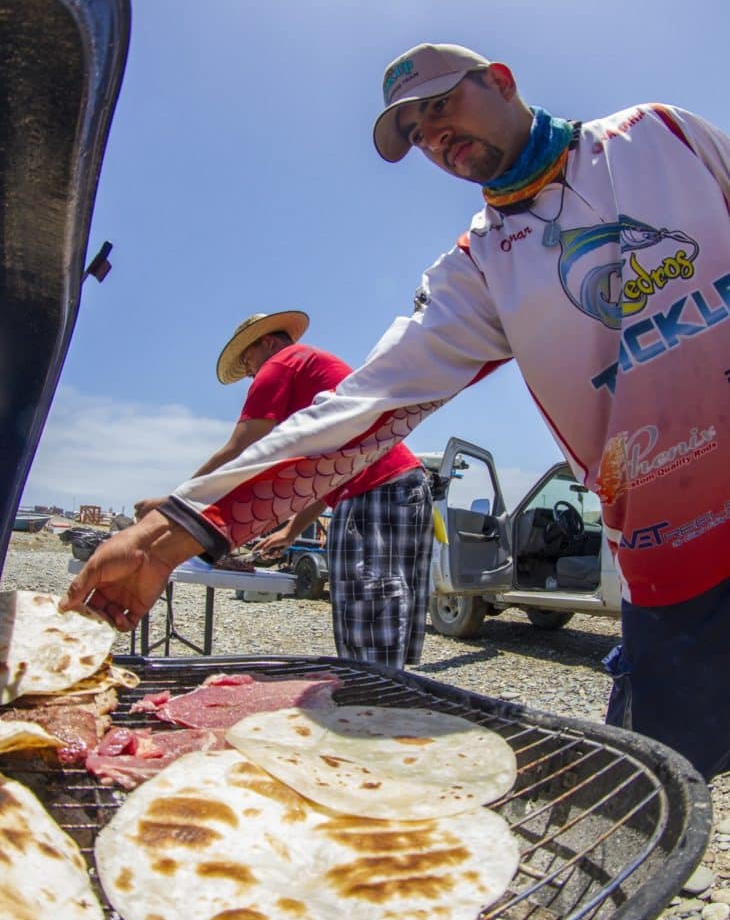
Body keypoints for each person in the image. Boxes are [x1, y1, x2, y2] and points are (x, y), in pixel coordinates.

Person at [63, 43, 730, 779]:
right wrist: (166, 536)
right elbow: (368, 405)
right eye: (414, 132)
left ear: (501, 81)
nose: (433, 137)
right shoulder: (481, 269)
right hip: (676, 563)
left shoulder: (662, 137)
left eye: (440, 105)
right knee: (656, 785)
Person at [136, 310, 433, 671]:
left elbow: (243, 446)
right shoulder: (311, 370)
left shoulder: (283, 362)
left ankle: (372, 706)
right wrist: (291, 531)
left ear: (268, 342)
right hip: (407, 485)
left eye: (248, 360)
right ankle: (390, 697)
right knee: (390, 610)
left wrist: (176, 503)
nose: (249, 372)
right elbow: (328, 475)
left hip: (371, 491)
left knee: (367, 611)